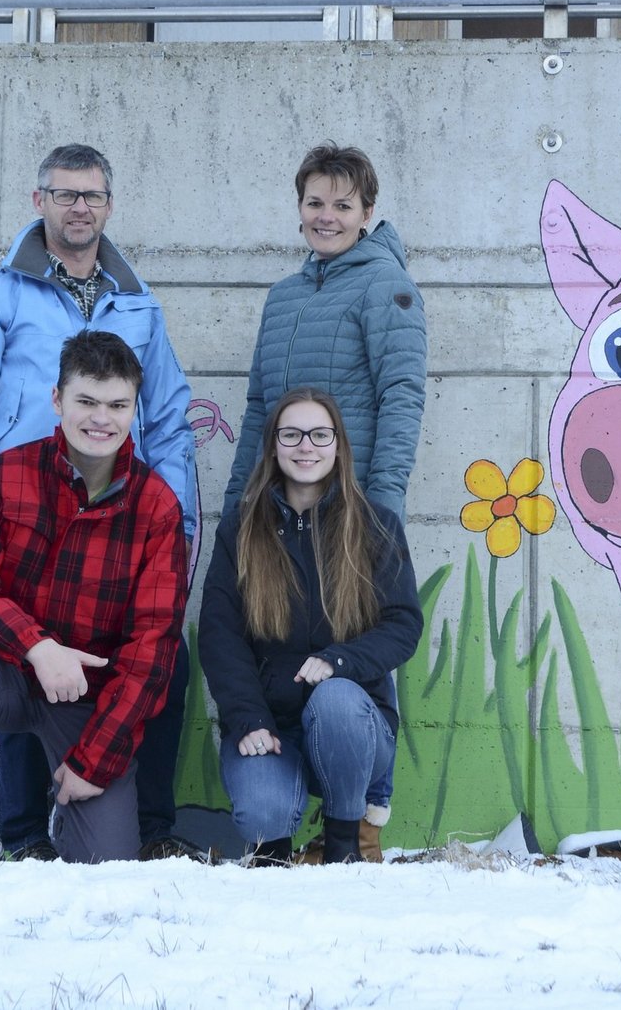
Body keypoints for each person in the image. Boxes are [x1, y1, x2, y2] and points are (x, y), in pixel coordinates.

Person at [0, 144, 199, 862]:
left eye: (92, 195)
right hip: (22, 513)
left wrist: (174, 513)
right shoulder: (1, 294)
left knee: (157, 658)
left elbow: (167, 414)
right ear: (38, 198)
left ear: (109, 204)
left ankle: (135, 820)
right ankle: (1, 837)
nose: (80, 206)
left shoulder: (137, 301)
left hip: (113, 519)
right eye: (65, 193)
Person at [221, 142, 427, 858]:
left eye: (343, 204)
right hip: (279, 510)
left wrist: (383, 505)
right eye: (315, 202)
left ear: (368, 212)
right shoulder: (283, 297)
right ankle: (285, 801)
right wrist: (235, 507)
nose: (327, 215)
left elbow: (401, 395)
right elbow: (256, 411)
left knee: (356, 659)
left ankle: (366, 818)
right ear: (299, 208)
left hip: (353, 513)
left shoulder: (387, 287)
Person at [0, 331, 186, 869]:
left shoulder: (156, 507)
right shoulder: (4, 476)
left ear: (134, 408)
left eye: (117, 405)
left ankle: (66, 816)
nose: (101, 419)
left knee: (106, 869)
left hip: (93, 702)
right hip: (13, 677)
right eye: (86, 401)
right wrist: (37, 646)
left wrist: (94, 762)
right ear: (57, 401)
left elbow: (152, 653)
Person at [200, 388, 422, 865]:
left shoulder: (374, 525)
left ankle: (343, 844)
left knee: (336, 697)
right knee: (262, 812)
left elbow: (403, 624)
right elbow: (220, 636)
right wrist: (247, 718)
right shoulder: (241, 529)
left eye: (320, 434)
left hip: (354, 728)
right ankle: (274, 852)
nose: (307, 446)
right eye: (292, 434)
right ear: (274, 447)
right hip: (271, 723)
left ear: (338, 445)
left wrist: (339, 660)